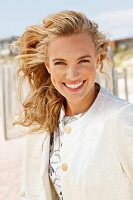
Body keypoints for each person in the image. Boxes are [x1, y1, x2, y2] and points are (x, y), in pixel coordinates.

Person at [13, 10, 133, 200]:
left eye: (83, 61)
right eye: (60, 63)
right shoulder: (42, 122)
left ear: (98, 60)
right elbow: (30, 191)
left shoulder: (122, 119)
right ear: (48, 66)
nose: (72, 75)